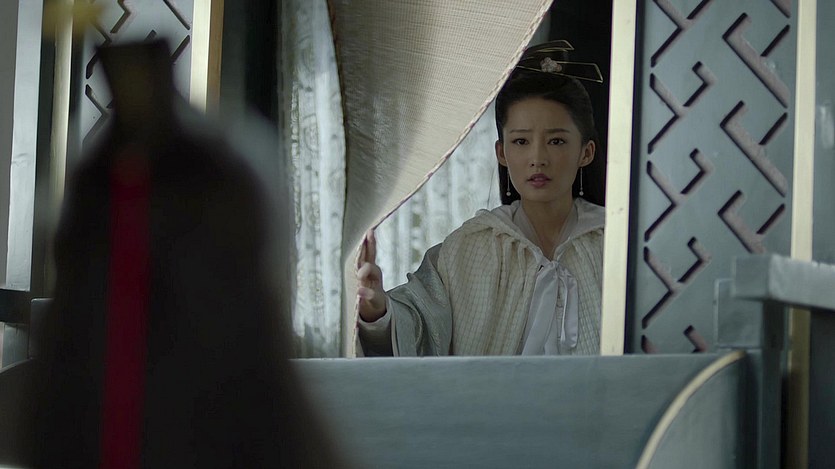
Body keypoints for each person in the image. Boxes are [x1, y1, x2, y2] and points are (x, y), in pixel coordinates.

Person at [356, 41, 606, 356]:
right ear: (501, 152)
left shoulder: (615, 244)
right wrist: (376, 308)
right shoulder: (468, 249)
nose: (537, 158)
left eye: (556, 141)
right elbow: (419, 328)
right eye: (521, 141)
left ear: (586, 152)